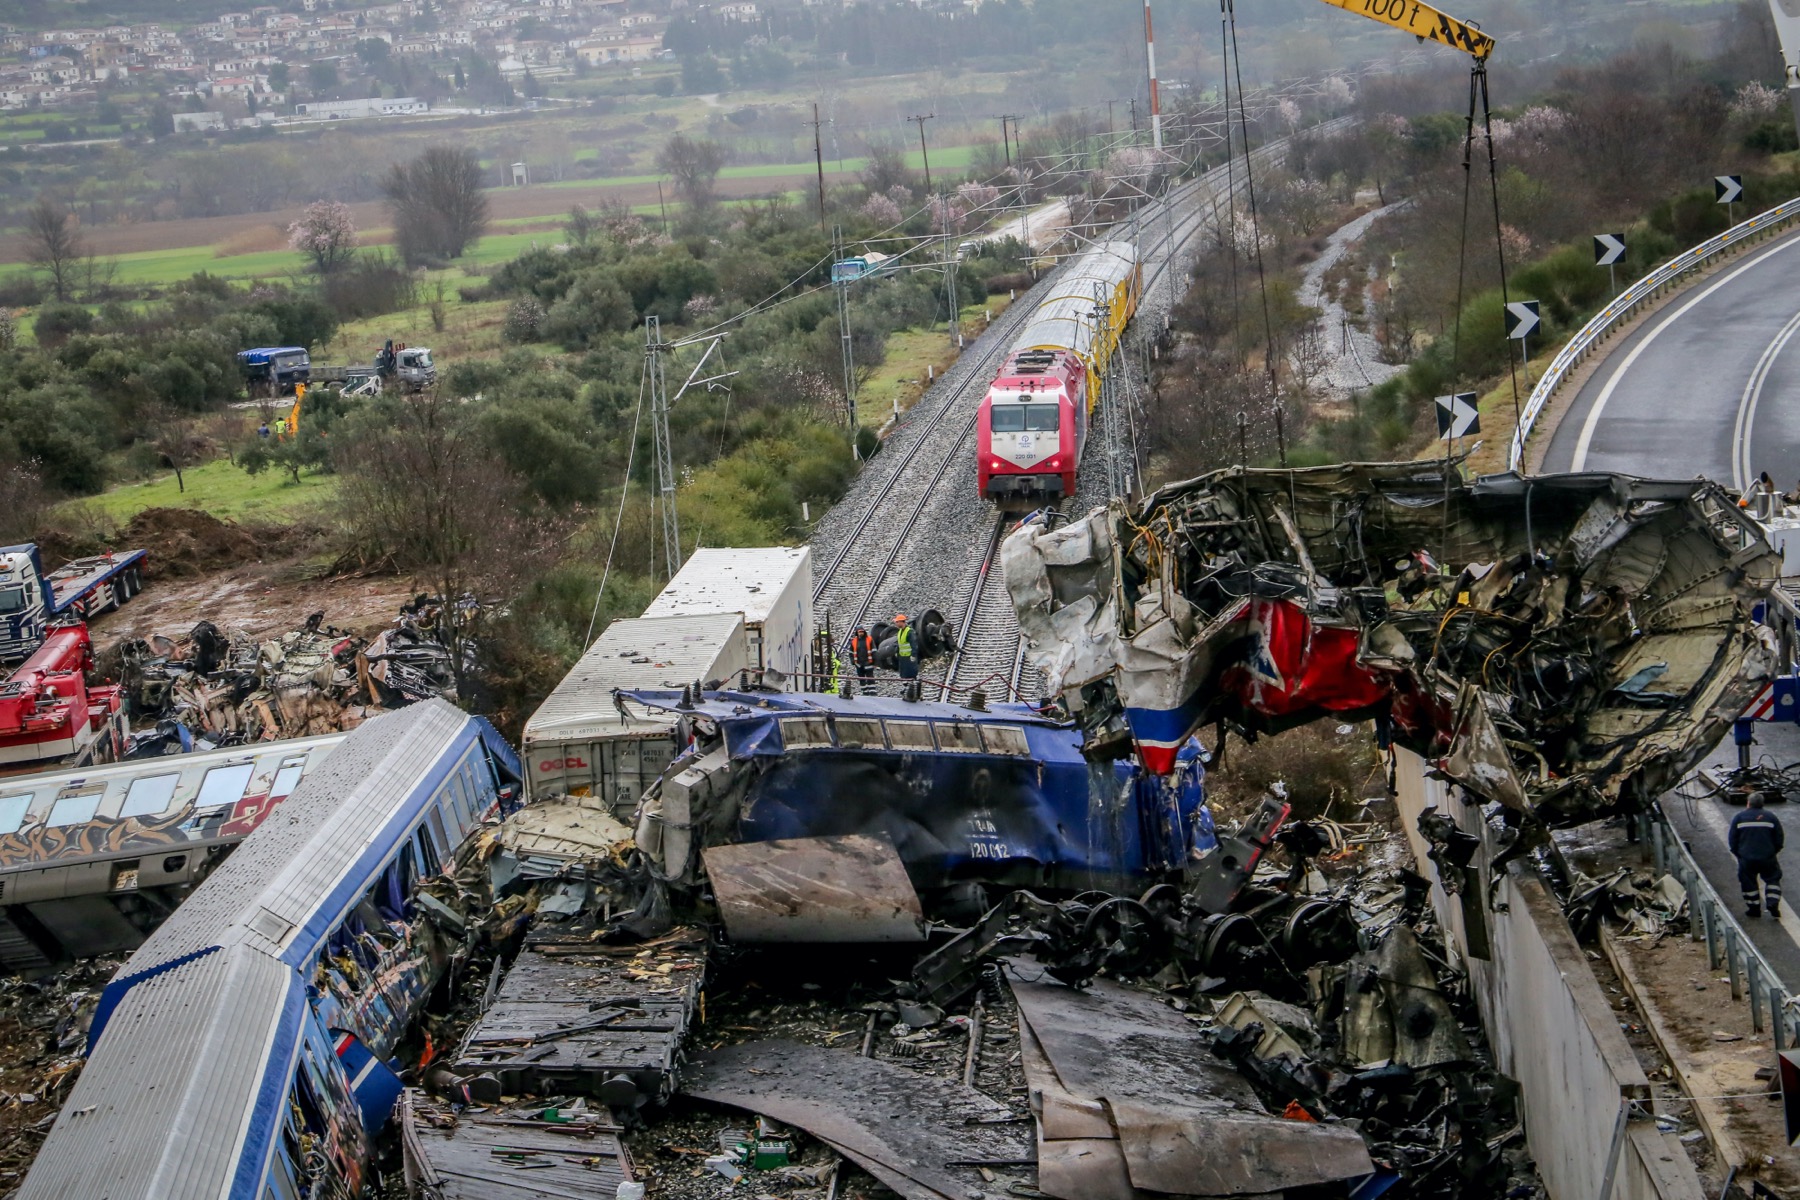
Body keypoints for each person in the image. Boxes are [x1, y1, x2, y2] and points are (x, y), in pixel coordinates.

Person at [1729, 792, 1784, 918]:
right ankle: (1773, 903)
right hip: (1767, 857)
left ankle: (1754, 909)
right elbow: (1779, 838)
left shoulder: (1739, 817)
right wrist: (1773, 852)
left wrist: (1739, 854)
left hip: (1746, 858)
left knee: (1748, 883)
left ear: (1748, 803)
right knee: (1772, 879)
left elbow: (1733, 839)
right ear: (1762, 804)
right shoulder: (1771, 817)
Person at [894, 613, 918, 681]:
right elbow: (900, 643)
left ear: (902, 622)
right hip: (902, 657)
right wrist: (897, 652)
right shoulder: (900, 631)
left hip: (909, 657)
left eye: (897, 622)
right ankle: (906, 687)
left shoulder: (909, 632)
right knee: (904, 674)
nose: (896, 623)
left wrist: (913, 655)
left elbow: (914, 644)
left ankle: (912, 687)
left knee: (911, 674)